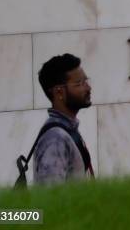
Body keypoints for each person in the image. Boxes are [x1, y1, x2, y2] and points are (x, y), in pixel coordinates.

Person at [33, 53, 95, 184]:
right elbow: (50, 197)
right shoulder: (55, 139)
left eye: (86, 81)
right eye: (79, 83)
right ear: (59, 92)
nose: (88, 88)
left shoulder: (67, 131)